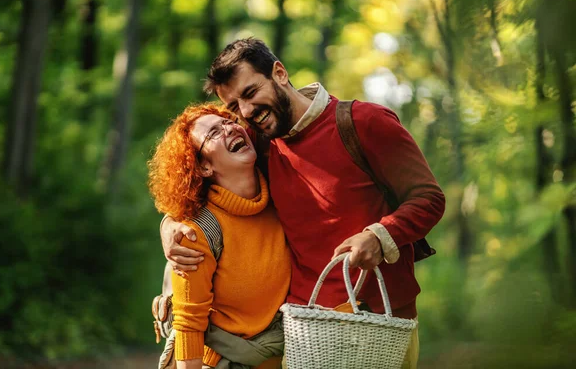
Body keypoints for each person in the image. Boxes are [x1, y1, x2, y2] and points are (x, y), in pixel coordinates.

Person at [160, 39, 446, 368]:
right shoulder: (259, 143)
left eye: (251, 93)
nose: (247, 112)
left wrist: (380, 235)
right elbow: (200, 177)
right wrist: (170, 224)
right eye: (235, 106)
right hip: (307, 329)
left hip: (380, 322)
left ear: (279, 73)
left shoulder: (365, 122)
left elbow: (428, 198)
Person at [148, 103, 291, 369]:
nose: (229, 129)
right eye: (213, 133)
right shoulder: (197, 232)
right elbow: (189, 322)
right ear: (203, 167)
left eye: (228, 122)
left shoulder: (282, 198)